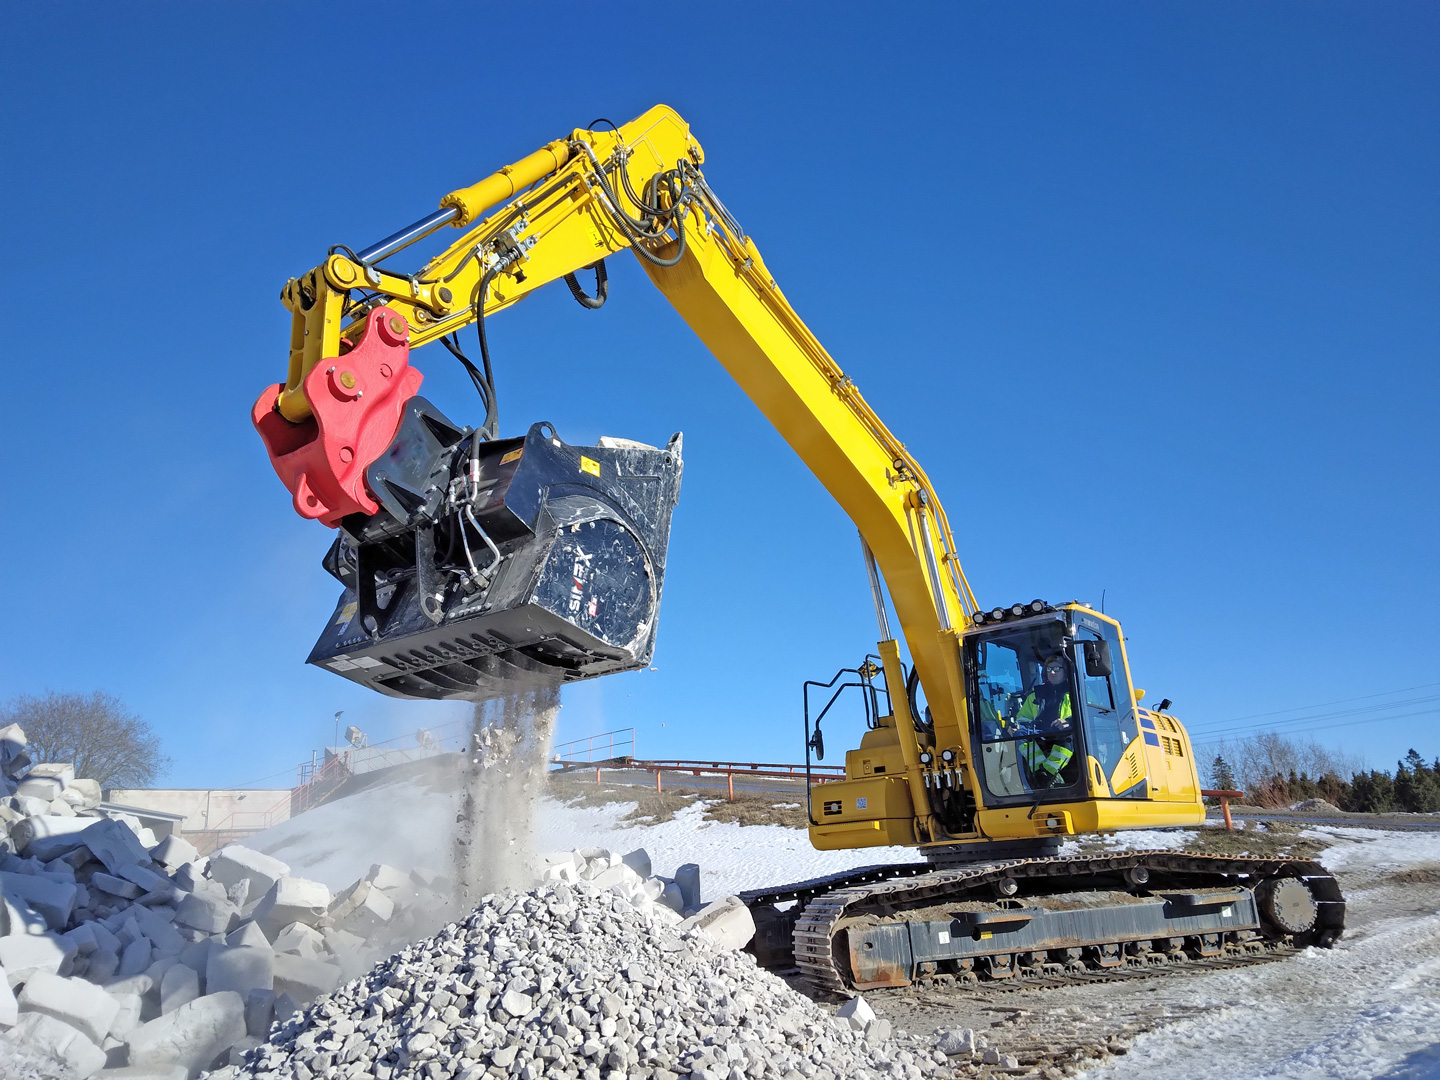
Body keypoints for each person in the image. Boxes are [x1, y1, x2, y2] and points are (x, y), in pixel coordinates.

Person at [1014, 654, 1076, 785]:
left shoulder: (1078, 692)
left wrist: (1069, 722)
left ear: (1066, 671)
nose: (1052, 672)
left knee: (1069, 735)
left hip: (1064, 736)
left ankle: (1048, 773)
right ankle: (1041, 773)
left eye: (1057, 669)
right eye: (1049, 669)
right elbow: (1022, 718)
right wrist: (1018, 726)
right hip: (1040, 735)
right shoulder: (1035, 695)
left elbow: (1092, 717)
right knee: (1019, 734)